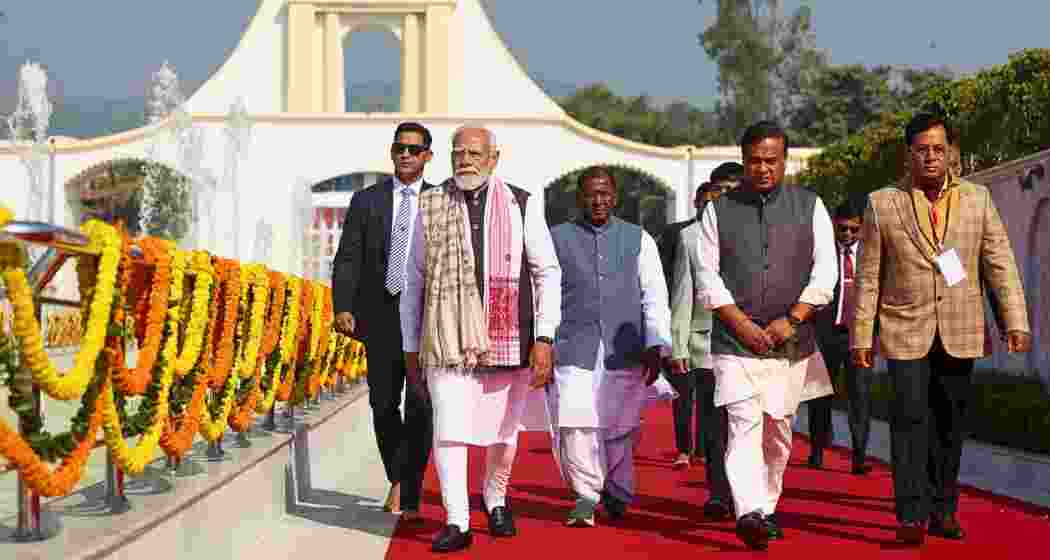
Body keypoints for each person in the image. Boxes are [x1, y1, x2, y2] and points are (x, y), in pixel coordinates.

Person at [850, 112, 1031, 545]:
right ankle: (911, 514)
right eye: (922, 150)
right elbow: (870, 275)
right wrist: (861, 335)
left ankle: (943, 509)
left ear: (950, 152)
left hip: (960, 326)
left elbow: (999, 262)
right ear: (908, 154)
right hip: (904, 327)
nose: (931, 157)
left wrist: (1015, 320)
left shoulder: (978, 199)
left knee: (950, 423)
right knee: (909, 419)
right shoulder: (883, 202)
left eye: (938, 149)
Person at [400, 126, 561, 553]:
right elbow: (413, 279)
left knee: (503, 434)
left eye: (474, 153)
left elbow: (547, 273)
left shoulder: (522, 203)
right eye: (458, 153)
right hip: (446, 337)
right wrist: (409, 345)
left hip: (510, 338)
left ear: (495, 157)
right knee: (449, 429)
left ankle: (496, 499)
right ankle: (457, 520)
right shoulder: (431, 204)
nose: (465, 160)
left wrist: (544, 336)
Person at [697, 121, 836, 550]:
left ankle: (767, 505)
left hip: (790, 341)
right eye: (754, 160)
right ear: (743, 160)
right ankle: (749, 512)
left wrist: (791, 320)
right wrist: (739, 322)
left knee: (778, 431)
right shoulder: (717, 210)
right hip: (734, 342)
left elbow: (825, 271)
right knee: (742, 424)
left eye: (770, 161)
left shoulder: (810, 205)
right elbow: (706, 273)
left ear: (784, 161)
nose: (762, 169)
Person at [547, 166, 671, 528]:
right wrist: (543, 341)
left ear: (614, 197)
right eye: (591, 194)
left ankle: (618, 486)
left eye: (604, 194)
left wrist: (656, 342)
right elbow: (547, 294)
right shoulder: (558, 238)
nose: (598, 200)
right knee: (576, 423)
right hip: (573, 346)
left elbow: (654, 294)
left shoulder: (638, 238)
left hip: (625, 348)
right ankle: (585, 496)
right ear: (580, 199)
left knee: (621, 425)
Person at [331, 122, 436, 522]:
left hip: (427, 321)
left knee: (422, 407)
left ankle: (406, 489)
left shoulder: (443, 200)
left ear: (428, 155)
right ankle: (398, 475)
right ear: (392, 153)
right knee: (382, 405)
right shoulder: (367, 200)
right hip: (380, 319)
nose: (406, 155)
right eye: (399, 148)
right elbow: (348, 258)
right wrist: (343, 304)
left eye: (414, 149)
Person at [669, 183, 732, 519]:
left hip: (749, 345)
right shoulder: (689, 238)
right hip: (705, 345)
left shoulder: (749, 230)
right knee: (713, 425)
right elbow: (682, 294)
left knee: (743, 425)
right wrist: (678, 344)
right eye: (706, 201)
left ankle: (748, 494)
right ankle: (719, 494)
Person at [809, 200, 874, 474]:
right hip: (827, 335)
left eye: (853, 230)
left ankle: (859, 456)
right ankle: (816, 450)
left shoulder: (871, 256)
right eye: (842, 229)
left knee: (860, 396)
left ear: (862, 229)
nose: (847, 235)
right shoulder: (823, 254)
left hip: (859, 337)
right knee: (820, 394)